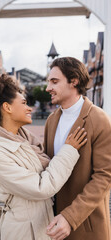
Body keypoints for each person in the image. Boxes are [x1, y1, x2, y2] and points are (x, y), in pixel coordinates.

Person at [0, 74, 87, 240]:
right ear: (8, 107)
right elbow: (42, 187)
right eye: (24, 103)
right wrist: (69, 150)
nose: (30, 108)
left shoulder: (25, 140)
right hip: (24, 232)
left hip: (42, 225)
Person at [44, 57, 111, 240]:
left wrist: (70, 216)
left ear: (74, 81)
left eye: (54, 81)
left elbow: (104, 177)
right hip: (53, 226)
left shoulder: (99, 119)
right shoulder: (51, 120)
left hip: (86, 225)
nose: (48, 88)